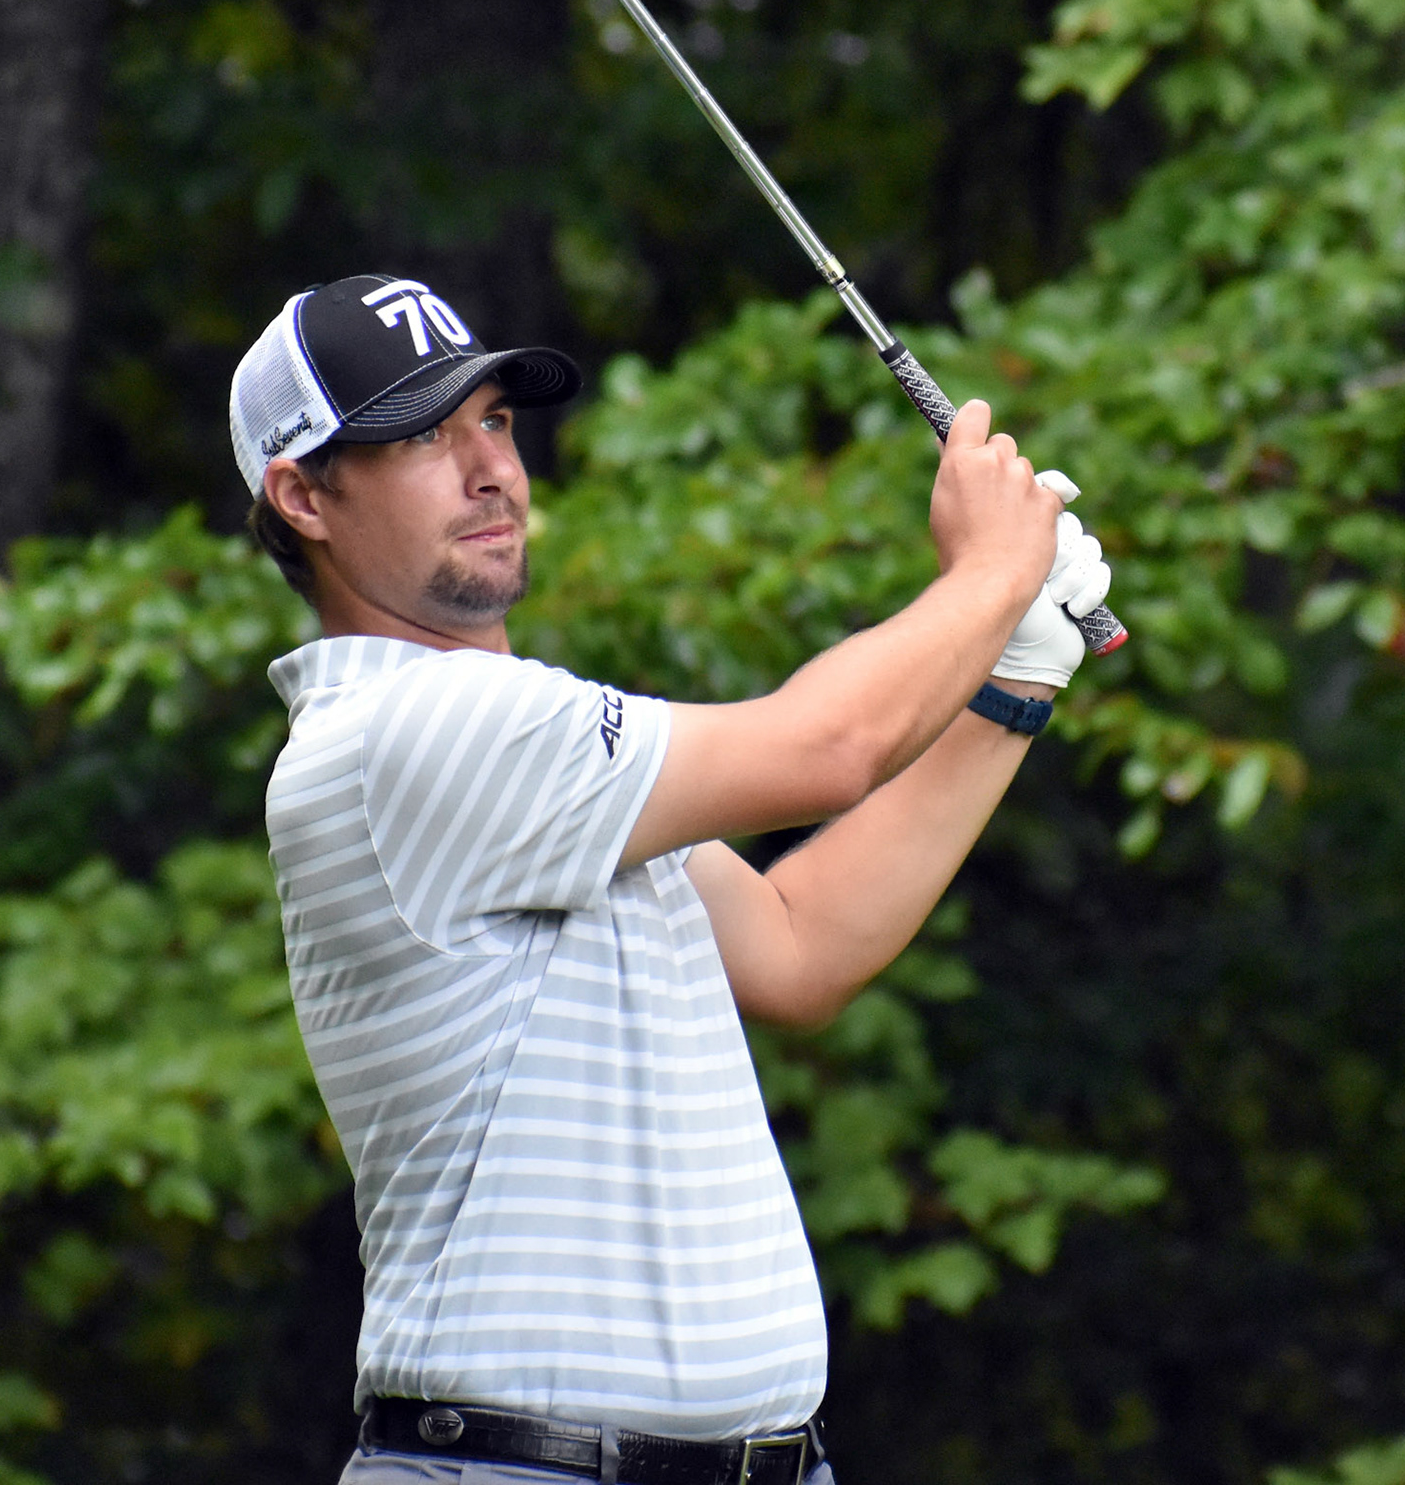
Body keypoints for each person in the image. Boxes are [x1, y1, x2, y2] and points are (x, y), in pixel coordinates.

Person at [230, 273, 1112, 1485]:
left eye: (495, 421)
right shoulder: (398, 735)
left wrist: (1011, 679)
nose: (491, 471)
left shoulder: (544, 757)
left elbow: (799, 946)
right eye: (425, 438)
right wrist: (990, 574)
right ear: (303, 496)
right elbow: (828, 750)